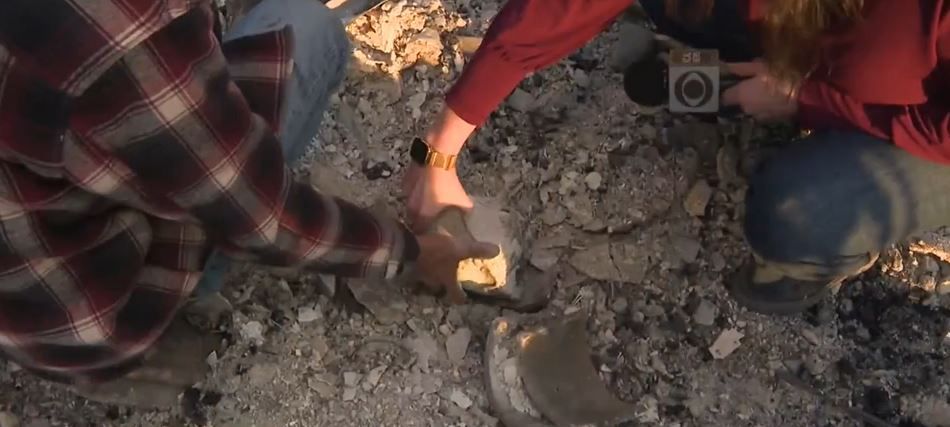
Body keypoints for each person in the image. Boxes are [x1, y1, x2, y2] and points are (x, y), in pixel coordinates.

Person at [0, 0, 497, 405]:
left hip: (23, 266)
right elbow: (267, 222)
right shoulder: (113, 32)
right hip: (74, 312)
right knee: (309, 27)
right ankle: (192, 296)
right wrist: (412, 253)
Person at [404, 0, 950, 315]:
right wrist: (437, 153)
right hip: (820, 48)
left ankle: (823, 257)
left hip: (929, 128)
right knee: (684, 24)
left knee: (794, 215)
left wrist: (807, 98)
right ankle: (747, 76)